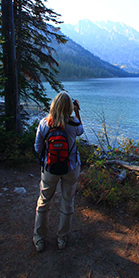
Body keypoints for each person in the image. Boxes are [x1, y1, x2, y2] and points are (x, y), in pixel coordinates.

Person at [33, 91, 84, 252]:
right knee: (67, 201)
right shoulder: (74, 124)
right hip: (71, 168)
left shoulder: (44, 123)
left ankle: (39, 239)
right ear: (69, 107)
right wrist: (76, 112)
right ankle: (62, 238)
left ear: (53, 105)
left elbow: (37, 148)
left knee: (44, 201)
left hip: (50, 168)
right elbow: (81, 131)